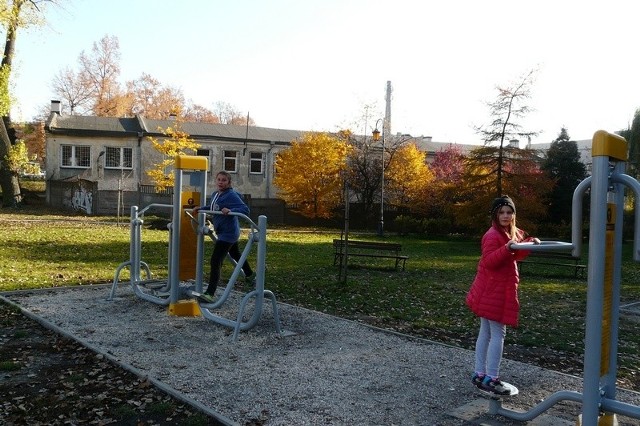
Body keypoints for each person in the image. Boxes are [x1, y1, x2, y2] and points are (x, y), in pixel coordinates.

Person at [465, 195, 540, 395]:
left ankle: (480, 373)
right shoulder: (493, 235)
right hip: (494, 291)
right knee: (498, 333)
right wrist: (507, 249)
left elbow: (513, 255)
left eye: (509, 212)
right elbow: (489, 260)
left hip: (492, 289)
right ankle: (492, 377)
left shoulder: (509, 234)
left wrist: (529, 243)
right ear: (495, 215)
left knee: (487, 332)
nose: (506, 216)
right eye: (501, 212)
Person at [193, 171, 254, 303]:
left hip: (229, 233)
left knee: (216, 260)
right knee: (235, 253)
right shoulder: (216, 194)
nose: (221, 182)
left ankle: (210, 293)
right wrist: (201, 208)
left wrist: (231, 211)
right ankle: (250, 274)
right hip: (222, 231)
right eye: (219, 180)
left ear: (229, 182)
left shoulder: (231, 195)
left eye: (224, 180)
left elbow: (245, 209)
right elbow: (214, 207)